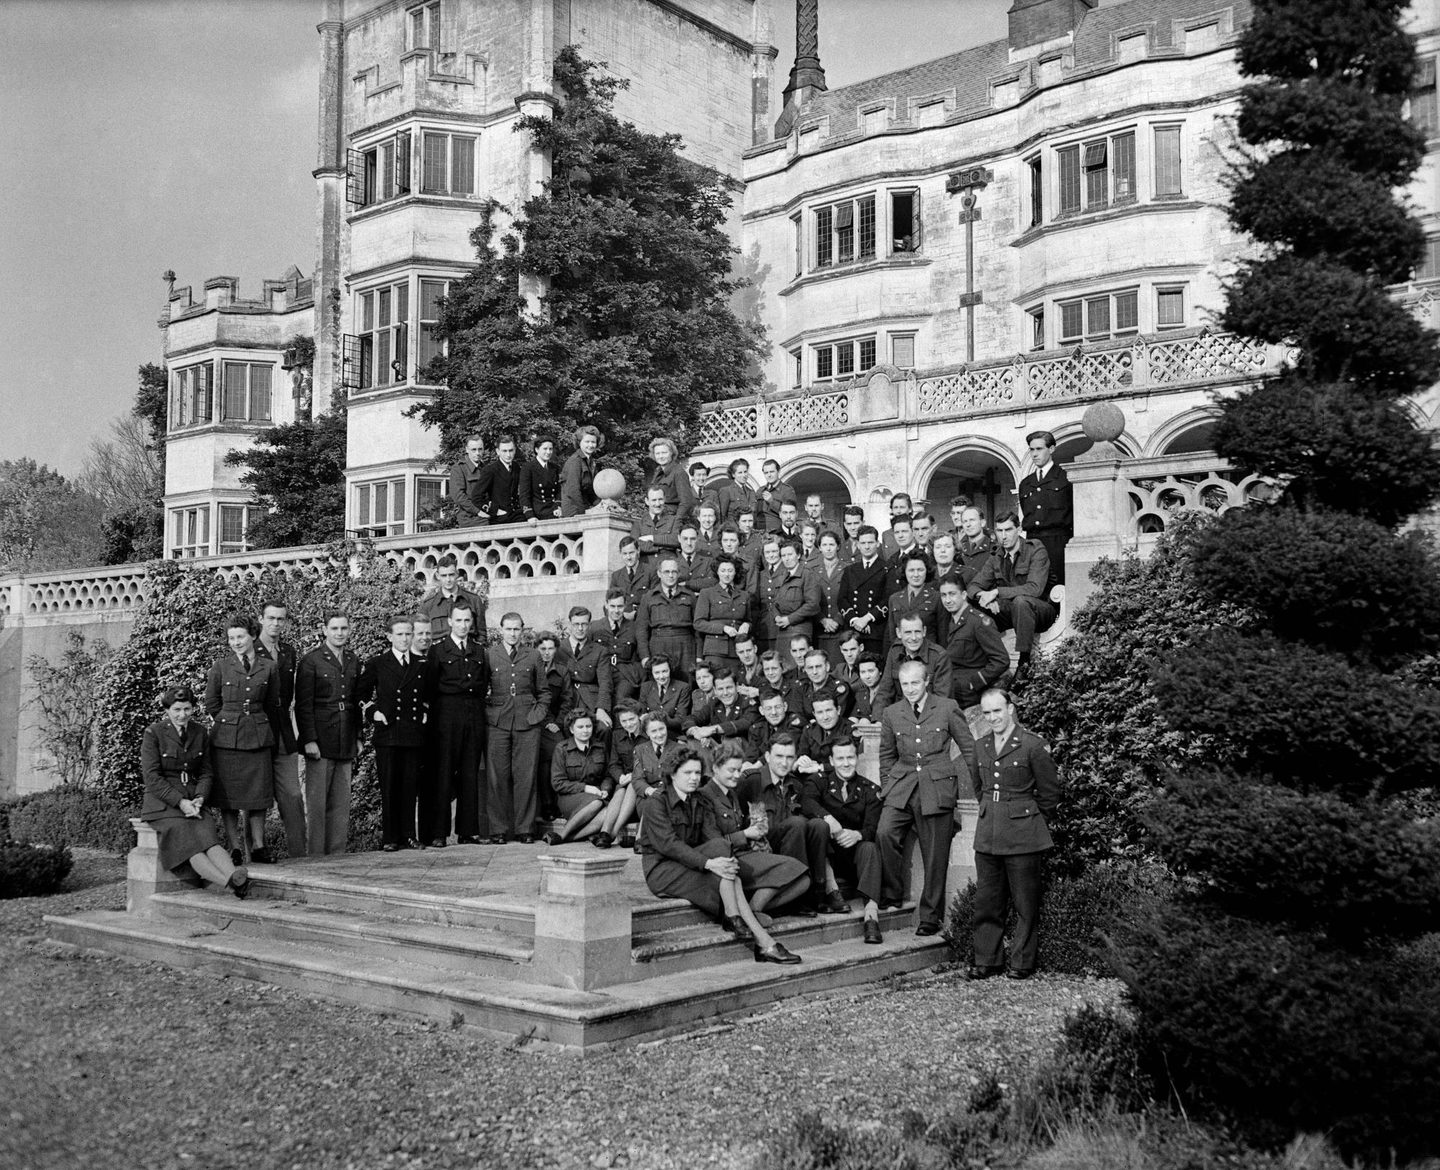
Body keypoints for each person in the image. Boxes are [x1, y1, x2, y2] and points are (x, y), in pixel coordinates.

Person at [640, 745, 802, 963]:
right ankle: (758, 937)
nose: (694, 778)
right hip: (662, 870)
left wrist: (720, 858)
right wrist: (708, 864)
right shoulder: (656, 802)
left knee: (723, 854)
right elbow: (669, 845)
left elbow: (713, 840)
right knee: (727, 870)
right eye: (688, 773)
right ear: (672, 774)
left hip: (690, 862)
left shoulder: (698, 799)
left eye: (698, 773)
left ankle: (740, 922)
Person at [877, 660, 977, 936]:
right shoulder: (892, 712)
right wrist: (888, 784)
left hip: (936, 788)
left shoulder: (946, 708)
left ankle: (930, 918)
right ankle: (893, 893)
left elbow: (968, 748)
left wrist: (978, 788)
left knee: (935, 854)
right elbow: (886, 755)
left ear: (927, 681)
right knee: (885, 832)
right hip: (902, 786)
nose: (909, 689)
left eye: (915, 683)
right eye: (905, 683)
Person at [970, 687, 1061, 980]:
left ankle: (1021, 962)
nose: (993, 717)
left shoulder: (1032, 745)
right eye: (987, 713)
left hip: (1023, 833)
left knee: (1025, 902)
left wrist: (1029, 821)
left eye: (997, 710)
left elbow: (1049, 795)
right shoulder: (980, 745)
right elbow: (978, 788)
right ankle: (987, 960)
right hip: (988, 832)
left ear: (1010, 708)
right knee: (987, 900)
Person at [141, 685, 250, 897]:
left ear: (193, 709)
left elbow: (206, 772)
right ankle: (231, 882)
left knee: (208, 836)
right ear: (167, 710)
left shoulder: (199, 732)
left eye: (187, 709)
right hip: (163, 804)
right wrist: (180, 802)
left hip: (194, 799)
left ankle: (234, 877)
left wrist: (200, 798)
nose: (182, 715)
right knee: (188, 839)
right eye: (177, 710)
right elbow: (152, 777)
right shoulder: (153, 734)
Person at [702, 741, 812, 918]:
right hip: (729, 859)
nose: (737, 775)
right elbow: (713, 843)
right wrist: (745, 834)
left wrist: (756, 828)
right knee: (792, 867)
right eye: (732, 770)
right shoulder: (706, 796)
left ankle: (754, 908)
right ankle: (753, 912)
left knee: (803, 879)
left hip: (748, 854)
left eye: (739, 770)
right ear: (716, 768)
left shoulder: (731, 793)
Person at [205, 614, 282, 867]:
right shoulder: (220, 667)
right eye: (231, 638)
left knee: (258, 794)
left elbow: (272, 704)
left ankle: (259, 847)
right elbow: (212, 703)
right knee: (228, 797)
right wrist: (231, 722)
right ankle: (235, 847)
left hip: (258, 737)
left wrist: (254, 724)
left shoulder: (269, 667)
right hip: (226, 741)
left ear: (252, 636)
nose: (236, 642)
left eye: (240, 637)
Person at [800, 735, 884, 942]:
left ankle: (871, 918)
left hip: (851, 858)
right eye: (840, 759)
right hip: (824, 857)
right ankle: (830, 890)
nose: (846, 763)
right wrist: (829, 820)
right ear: (831, 761)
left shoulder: (870, 790)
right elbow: (807, 802)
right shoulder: (819, 781)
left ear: (857, 758)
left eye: (850, 757)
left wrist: (858, 835)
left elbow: (873, 826)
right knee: (818, 826)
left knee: (870, 847)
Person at [356, 615, 428, 851]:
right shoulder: (378, 663)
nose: (405, 638)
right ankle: (390, 838)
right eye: (400, 634)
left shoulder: (421, 664)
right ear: (389, 637)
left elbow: (428, 695)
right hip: (388, 732)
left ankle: (409, 834)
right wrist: (373, 712)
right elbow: (361, 694)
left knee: (410, 785)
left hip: (413, 732)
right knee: (389, 786)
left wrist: (426, 710)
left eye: (409, 633)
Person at [736, 734, 828, 915]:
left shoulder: (796, 784)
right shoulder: (750, 782)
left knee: (817, 825)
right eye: (779, 756)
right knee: (797, 823)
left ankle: (815, 895)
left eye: (789, 757)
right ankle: (794, 898)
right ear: (768, 757)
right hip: (761, 850)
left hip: (790, 847)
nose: (784, 763)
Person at [296, 611, 363, 856]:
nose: (339, 633)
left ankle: (337, 855)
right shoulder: (311, 661)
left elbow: (356, 702)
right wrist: (310, 740)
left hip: (345, 738)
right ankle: (315, 856)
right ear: (325, 630)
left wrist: (358, 737)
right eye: (334, 628)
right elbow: (303, 705)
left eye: (344, 628)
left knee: (341, 804)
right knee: (317, 804)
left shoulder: (353, 660)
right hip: (321, 739)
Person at [425, 600, 489, 845]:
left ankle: (467, 831)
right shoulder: (438, 651)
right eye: (458, 620)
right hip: (446, 716)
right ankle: (439, 833)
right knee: (443, 772)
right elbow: (430, 687)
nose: (463, 625)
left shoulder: (478, 650)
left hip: (473, 714)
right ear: (450, 621)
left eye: (467, 621)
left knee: (469, 772)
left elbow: (482, 685)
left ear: (472, 623)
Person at [967, 511, 1057, 678]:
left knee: (1021, 601)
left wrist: (996, 592)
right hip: (1011, 610)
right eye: (999, 531)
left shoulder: (1035, 549)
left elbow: (1034, 589)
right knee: (969, 601)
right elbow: (974, 586)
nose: (1004, 536)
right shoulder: (997, 555)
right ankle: (986, 659)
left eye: (1008, 530)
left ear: (1019, 529)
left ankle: (1024, 664)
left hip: (1041, 610)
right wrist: (984, 598)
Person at [485, 611, 548, 845]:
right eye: (508, 629)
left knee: (526, 776)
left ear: (523, 630)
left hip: (527, 721)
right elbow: (480, 690)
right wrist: (489, 714)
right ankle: (498, 830)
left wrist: (538, 715)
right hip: (498, 722)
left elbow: (543, 691)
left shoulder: (533, 656)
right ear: (500, 630)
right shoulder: (490, 655)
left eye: (517, 629)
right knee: (497, 777)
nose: (512, 633)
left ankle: (525, 829)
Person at [254, 598, 305, 858]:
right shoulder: (249, 649)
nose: (275, 623)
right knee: (257, 798)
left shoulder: (288, 652)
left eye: (280, 619)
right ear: (261, 619)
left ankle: (299, 855)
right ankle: (256, 852)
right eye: (271, 618)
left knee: (293, 796)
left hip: (284, 733)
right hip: (258, 734)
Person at [936, 579, 1010, 713]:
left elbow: (1001, 660)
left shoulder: (979, 622)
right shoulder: (949, 620)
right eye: (943, 595)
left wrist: (975, 682)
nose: (947, 600)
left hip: (969, 694)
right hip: (951, 688)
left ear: (964, 595)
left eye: (952, 594)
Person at [542, 710, 614, 845]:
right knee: (597, 803)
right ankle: (563, 833)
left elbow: (608, 775)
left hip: (597, 795)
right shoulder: (562, 749)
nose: (585, 730)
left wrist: (605, 789)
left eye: (589, 726)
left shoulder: (600, 747)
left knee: (608, 812)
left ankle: (568, 838)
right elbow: (558, 783)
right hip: (569, 799)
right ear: (571, 729)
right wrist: (586, 788)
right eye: (580, 727)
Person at [1018, 429, 1073, 586]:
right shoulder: (1026, 483)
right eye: (1031, 450)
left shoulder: (1065, 477)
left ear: (1051, 449)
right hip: (1032, 543)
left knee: (1059, 588)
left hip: (1058, 543)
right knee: (1034, 586)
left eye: (1039, 449)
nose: (1034, 454)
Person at [636, 558, 696, 681]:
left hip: (685, 646)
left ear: (679, 574)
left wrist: (699, 656)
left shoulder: (689, 596)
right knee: (660, 683)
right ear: (659, 573)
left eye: (674, 572)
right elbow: (641, 629)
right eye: (666, 571)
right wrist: (645, 656)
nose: (670, 575)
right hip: (659, 645)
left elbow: (697, 628)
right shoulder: (648, 597)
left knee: (686, 681)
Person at [877, 614, 955, 709]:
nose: (913, 638)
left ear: (924, 631)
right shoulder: (894, 651)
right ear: (898, 633)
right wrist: (878, 720)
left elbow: (942, 699)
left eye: (917, 632)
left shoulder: (939, 656)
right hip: (899, 715)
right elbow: (885, 691)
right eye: (908, 632)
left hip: (929, 716)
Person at [556, 606, 614, 733]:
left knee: (604, 729)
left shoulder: (599, 650)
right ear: (569, 624)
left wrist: (601, 708)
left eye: (584, 624)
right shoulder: (558, 648)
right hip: (567, 702)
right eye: (576, 624)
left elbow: (605, 682)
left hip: (591, 702)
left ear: (589, 625)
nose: (580, 628)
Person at [693, 554, 752, 675]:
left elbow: (749, 619)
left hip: (738, 650)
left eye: (730, 570)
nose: (727, 574)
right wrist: (723, 628)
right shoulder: (707, 593)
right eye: (723, 570)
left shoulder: (744, 595)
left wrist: (747, 625)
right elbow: (698, 623)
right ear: (717, 572)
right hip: (715, 651)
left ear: (735, 572)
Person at [768, 538, 822, 669]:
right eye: (783, 555)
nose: (786, 558)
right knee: (784, 668)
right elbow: (773, 602)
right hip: (782, 631)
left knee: (801, 668)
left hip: (800, 630)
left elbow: (813, 605)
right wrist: (777, 617)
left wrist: (789, 619)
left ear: (798, 555)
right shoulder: (781, 576)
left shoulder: (807, 574)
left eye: (790, 554)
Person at [534, 632, 570, 824]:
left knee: (556, 750)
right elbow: (534, 698)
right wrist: (544, 721)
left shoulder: (562, 671)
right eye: (542, 649)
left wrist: (557, 723)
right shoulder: (531, 668)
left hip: (554, 724)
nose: (546, 653)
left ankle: (554, 805)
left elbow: (566, 700)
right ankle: (546, 805)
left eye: (550, 649)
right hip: (535, 722)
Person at [838, 525, 888, 656]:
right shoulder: (850, 570)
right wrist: (855, 620)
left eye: (870, 542)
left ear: (877, 544)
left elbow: (887, 599)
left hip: (875, 630)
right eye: (863, 543)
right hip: (853, 632)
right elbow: (841, 599)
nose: (867, 546)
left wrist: (866, 619)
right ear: (858, 545)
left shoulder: (887, 569)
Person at [418, 555, 486, 640]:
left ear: (457, 573)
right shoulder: (428, 605)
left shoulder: (474, 600)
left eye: (451, 575)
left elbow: (481, 634)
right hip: (439, 651)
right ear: (437, 575)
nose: (448, 579)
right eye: (444, 575)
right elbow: (421, 636)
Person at [684, 668, 757, 744]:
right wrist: (694, 731)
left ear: (736, 686)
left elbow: (745, 723)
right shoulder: (715, 702)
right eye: (720, 689)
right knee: (693, 740)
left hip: (741, 751)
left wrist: (713, 729)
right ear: (715, 690)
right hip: (719, 750)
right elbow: (693, 718)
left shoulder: (748, 702)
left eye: (729, 687)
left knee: (730, 740)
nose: (725, 693)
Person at [595, 590, 643, 702]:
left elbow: (640, 655)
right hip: (602, 673)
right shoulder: (595, 627)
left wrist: (635, 673)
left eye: (620, 606)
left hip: (625, 675)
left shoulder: (633, 628)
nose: (616, 611)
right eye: (612, 606)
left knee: (621, 699)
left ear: (625, 605)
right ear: (606, 605)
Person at [886, 551, 940, 649]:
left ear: (927, 571)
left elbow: (943, 634)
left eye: (920, 570)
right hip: (901, 656)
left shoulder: (936, 597)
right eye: (911, 570)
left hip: (928, 656)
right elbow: (892, 636)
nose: (916, 575)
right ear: (904, 572)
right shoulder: (894, 599)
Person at [638, 654, 692, 737]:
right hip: (650, 734)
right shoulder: (646, 687)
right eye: (657, 672)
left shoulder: (683, 687)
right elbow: (642, 713)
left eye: (664, 671)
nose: (661, 676)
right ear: (652, 673)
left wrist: (655, 718)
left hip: (672, 734)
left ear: (670, 670)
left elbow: (681, 719)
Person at [814, 531, 848, 662]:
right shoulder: (812, 570)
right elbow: (809, 600)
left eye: (832, 544)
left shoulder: (847, 569)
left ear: (838, 546)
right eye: (825, 545)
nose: (828, 548)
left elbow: (849, 598)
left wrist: (837, 620)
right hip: (818, 630)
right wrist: (822, 619)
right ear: (820, 547)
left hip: (841, 629)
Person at [794, 647, 853, 721]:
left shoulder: (839, 688)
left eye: (818, 667)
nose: (814, 672)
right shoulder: (802, 687)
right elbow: (797, 716)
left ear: (827, 666)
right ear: (805, 669)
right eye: (810, 668)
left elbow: (836, 717)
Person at [477, 434, 523, 526]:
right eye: (504, 451)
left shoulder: (516, 467)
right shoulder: (490, 470)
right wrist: (495, 510)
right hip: (500, 519)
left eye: (511, 450)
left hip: (517, 515)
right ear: (498, 451)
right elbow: (476, 496)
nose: (508, 454)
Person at [646, 436, 697, 519]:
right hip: (659, 518)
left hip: (672, 519)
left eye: (664, 453)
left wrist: (676, 522)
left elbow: (686, 502)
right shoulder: (657, 473)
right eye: (657, 453)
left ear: (671, 453)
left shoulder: (679, 473)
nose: (661, 456)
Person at [633, 486, 681, 570]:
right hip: (646, 568)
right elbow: (635, 546)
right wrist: (662, 546)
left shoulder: (674, 520)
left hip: (668, 568)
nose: (658, 504)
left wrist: (652, 538)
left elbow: (676, 540)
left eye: (660, 499)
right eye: (654, 500)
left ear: (665, 499)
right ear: (647, 501)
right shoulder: (638, 523)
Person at [632, 712, 676, 804]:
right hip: (647, 797)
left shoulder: (680, 749)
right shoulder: (640, 750)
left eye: (661, 729)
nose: (659, 734)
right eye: (654, 731)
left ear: (666, 728)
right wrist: (649, 790)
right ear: (647, 733)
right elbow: (637, 779)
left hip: (671, 797)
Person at [560, 424, 601, 516]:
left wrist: (602, 506)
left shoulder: (591, 463)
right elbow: (573, 491)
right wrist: (583, 512)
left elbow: (591, 492)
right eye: (587, 442)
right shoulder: (575, 461)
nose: (590, 445)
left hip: (584, 509)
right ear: (579, 442)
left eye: (593, 442)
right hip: (574, 511)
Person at [608, 537, 652, 619]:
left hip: (644, 620)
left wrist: (635, 614)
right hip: (623, 622)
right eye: (625, 554)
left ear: (638, 550)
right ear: (620, 553)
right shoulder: (616, 576)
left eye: (631, 553)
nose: (628, 557)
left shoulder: (650, 571)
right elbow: (610, 602)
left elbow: (654, 600)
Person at [520, 434, 562, 520]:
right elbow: (524, 494)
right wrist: (529, 515)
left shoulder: (555, 468)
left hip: (554, 511)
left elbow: (559, 491)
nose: (548, 452)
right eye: (545, 449)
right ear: (537, 449)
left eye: (550, 449)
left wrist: (558, 506)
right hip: (537, 513)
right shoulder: (528, 468)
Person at [449, 435, 488, 525]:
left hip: (485, 513)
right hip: (469, 517)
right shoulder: (459, 468)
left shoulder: (485, 468)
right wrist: (478, 511)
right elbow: (459, 497)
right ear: (467, 450)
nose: (477, 453)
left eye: (480, 449)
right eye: (473, 450)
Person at [956, 506, 996, 587]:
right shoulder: (957, 550)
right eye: (965, 521)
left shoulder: (994, 549)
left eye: (972, 520)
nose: (968, 524)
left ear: (982, 523)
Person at [713, 458, 758, 527]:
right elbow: (721, 516)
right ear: (733, 474)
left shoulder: (751, 492)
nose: (744, 475)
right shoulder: (726, 491)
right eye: (740, 473)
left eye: (745, 472)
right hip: (733, 532)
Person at [757, 459, 796, 533]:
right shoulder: (760, 491)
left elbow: (791, 514)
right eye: (766, 473)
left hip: (778, 533)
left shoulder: (787, 490)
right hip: (760, 533)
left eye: (772, 472)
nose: (769, 475)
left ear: (778, 471)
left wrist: (772, 501)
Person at [849, 652, 886, 726]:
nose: (867, 676)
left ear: (880, 671)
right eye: (863, 672)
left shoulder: (887, 692)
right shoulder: (860, 692)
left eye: (871, 671)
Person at [880, 493, 914, 558]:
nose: (898, 511)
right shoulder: (886, 535)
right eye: (895, 507)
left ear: (910, 509)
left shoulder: (916, 530)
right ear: (892, 510)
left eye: (902, 507)